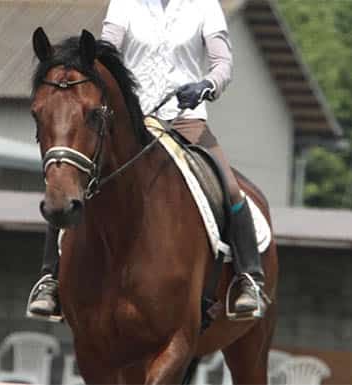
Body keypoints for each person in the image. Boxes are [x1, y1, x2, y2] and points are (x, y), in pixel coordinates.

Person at [27, 0, 268, 321]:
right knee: (68, 179)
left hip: (185, 120)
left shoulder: (206, 6)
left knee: (229, 186)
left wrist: (207, 85)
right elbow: (105, 56)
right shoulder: (124, 4)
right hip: (133, 121)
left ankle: (247, 277)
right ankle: (50, 279)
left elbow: (222, 62)